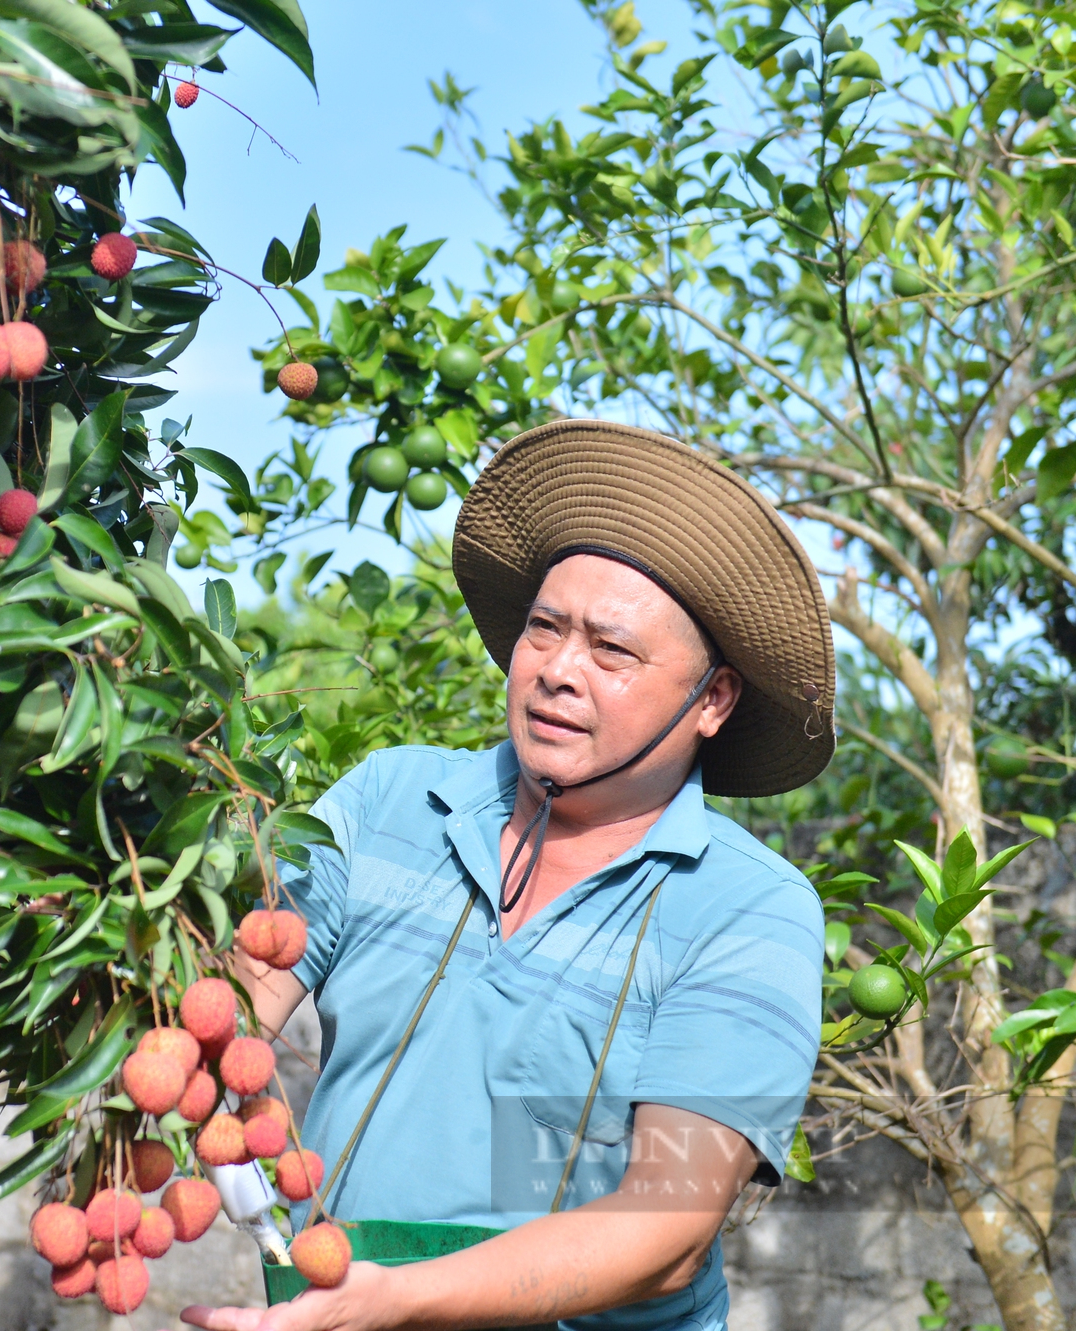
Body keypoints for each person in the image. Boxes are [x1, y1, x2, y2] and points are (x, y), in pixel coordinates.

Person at [182, 420, 835, 1331]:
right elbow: (226, 1006)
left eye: (612, 650)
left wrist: (401, 1300)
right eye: (543, 628)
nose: (558, 671)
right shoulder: (389, 802)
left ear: (712, 700)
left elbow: (670, 1226)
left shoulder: (749, 910)